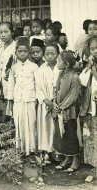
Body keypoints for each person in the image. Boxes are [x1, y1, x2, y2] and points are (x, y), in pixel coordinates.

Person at [8, 37, 38, 156]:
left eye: (24, 51)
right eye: (19, 51)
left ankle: (32, 148)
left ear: (28, 52)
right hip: (18, 100)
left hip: (30, 99)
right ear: (16, 53)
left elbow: (37, 84)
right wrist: (10, 99)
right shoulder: (13, 67)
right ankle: (20, 148)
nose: (22, 53)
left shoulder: (34, 67)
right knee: (19, 122)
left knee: (31, 122)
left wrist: (37, 98)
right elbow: (11, 84)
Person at [53, 50, 81, 172]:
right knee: (62, 135)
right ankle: (66, 158)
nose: (56, 62)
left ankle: (75, 159)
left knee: (71, 135)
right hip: (59, 110)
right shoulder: (60, 75)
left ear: (67, 64)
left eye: (59, 60)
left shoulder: (74, 77)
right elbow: (56, 89)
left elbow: (73, 95)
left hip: (70, 113)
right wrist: (54, 101)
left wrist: (62, 107)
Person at [36, 44, 60, 161]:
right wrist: (47, 102)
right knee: (46, 127)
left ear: (58, 55)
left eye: (53, 54)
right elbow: (39, 88)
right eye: (47, 54)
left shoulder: (61, 68)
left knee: (58, 127)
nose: (50, 56)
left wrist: (56, 102)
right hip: (45, 103)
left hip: (59, 103)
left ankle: (58, 151)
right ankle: (47, 151)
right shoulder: (41, 69)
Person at [79, 36, 97, 182]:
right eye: (92, 49)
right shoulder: (89, 65)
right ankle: (94, 166)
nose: (95, 51)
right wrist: (90, 66)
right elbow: (82, 82)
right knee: (92, 137)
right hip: (91, 106)